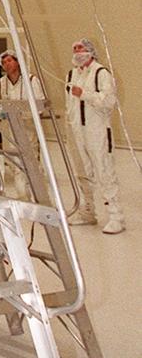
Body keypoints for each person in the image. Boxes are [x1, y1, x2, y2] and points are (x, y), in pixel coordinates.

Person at [65, 38, 124, 234]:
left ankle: (116, 217)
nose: (77, 51)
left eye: (80, 48)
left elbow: (108, 101)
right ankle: (87, 212)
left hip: (97, 130)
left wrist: (84, 94)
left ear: (90, 51)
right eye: (74, 48)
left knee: (104, 170)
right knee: (82, 172)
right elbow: (70, 106)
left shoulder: (101, 73)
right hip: (77, 131)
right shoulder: (72, 74)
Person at [0, 49, 44, 200]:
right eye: (4, 62)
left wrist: (22, 113)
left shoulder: (31, 80)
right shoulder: (1, 84)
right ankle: (22, 195)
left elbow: (39, 104)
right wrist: (0, 114)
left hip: (27, 127)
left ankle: (38, 194)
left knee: (30, 161)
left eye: (10, 60)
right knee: (14, 162)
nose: (7, 64)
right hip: (9, 128)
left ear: (17, 61)